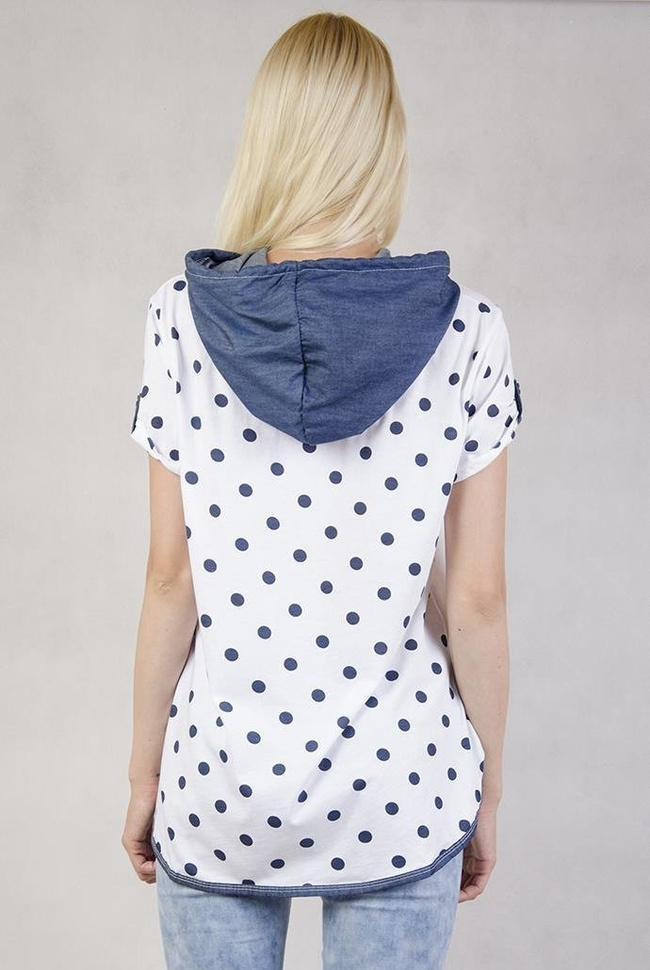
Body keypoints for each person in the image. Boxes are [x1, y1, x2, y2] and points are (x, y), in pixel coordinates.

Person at [122, 11, 523, 970]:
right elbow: (475, 599)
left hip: (220, 784)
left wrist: (143, 777)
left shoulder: (181, 320)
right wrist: (488, 788)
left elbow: (171, 580)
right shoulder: (467, 330)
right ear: (385, 146)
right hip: (403, 786)